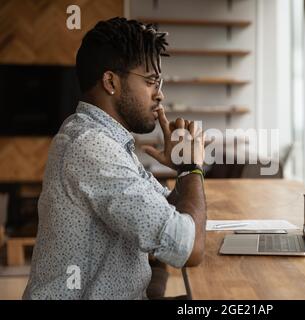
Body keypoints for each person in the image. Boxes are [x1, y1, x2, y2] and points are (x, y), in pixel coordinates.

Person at [23, 17, 206, 300]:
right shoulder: (91, 146)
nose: (160, 95)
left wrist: (184, 168)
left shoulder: (107, 141)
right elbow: (188, 247)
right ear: (110, 81)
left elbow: (166, 209)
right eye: (150, 81)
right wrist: (192, 167)